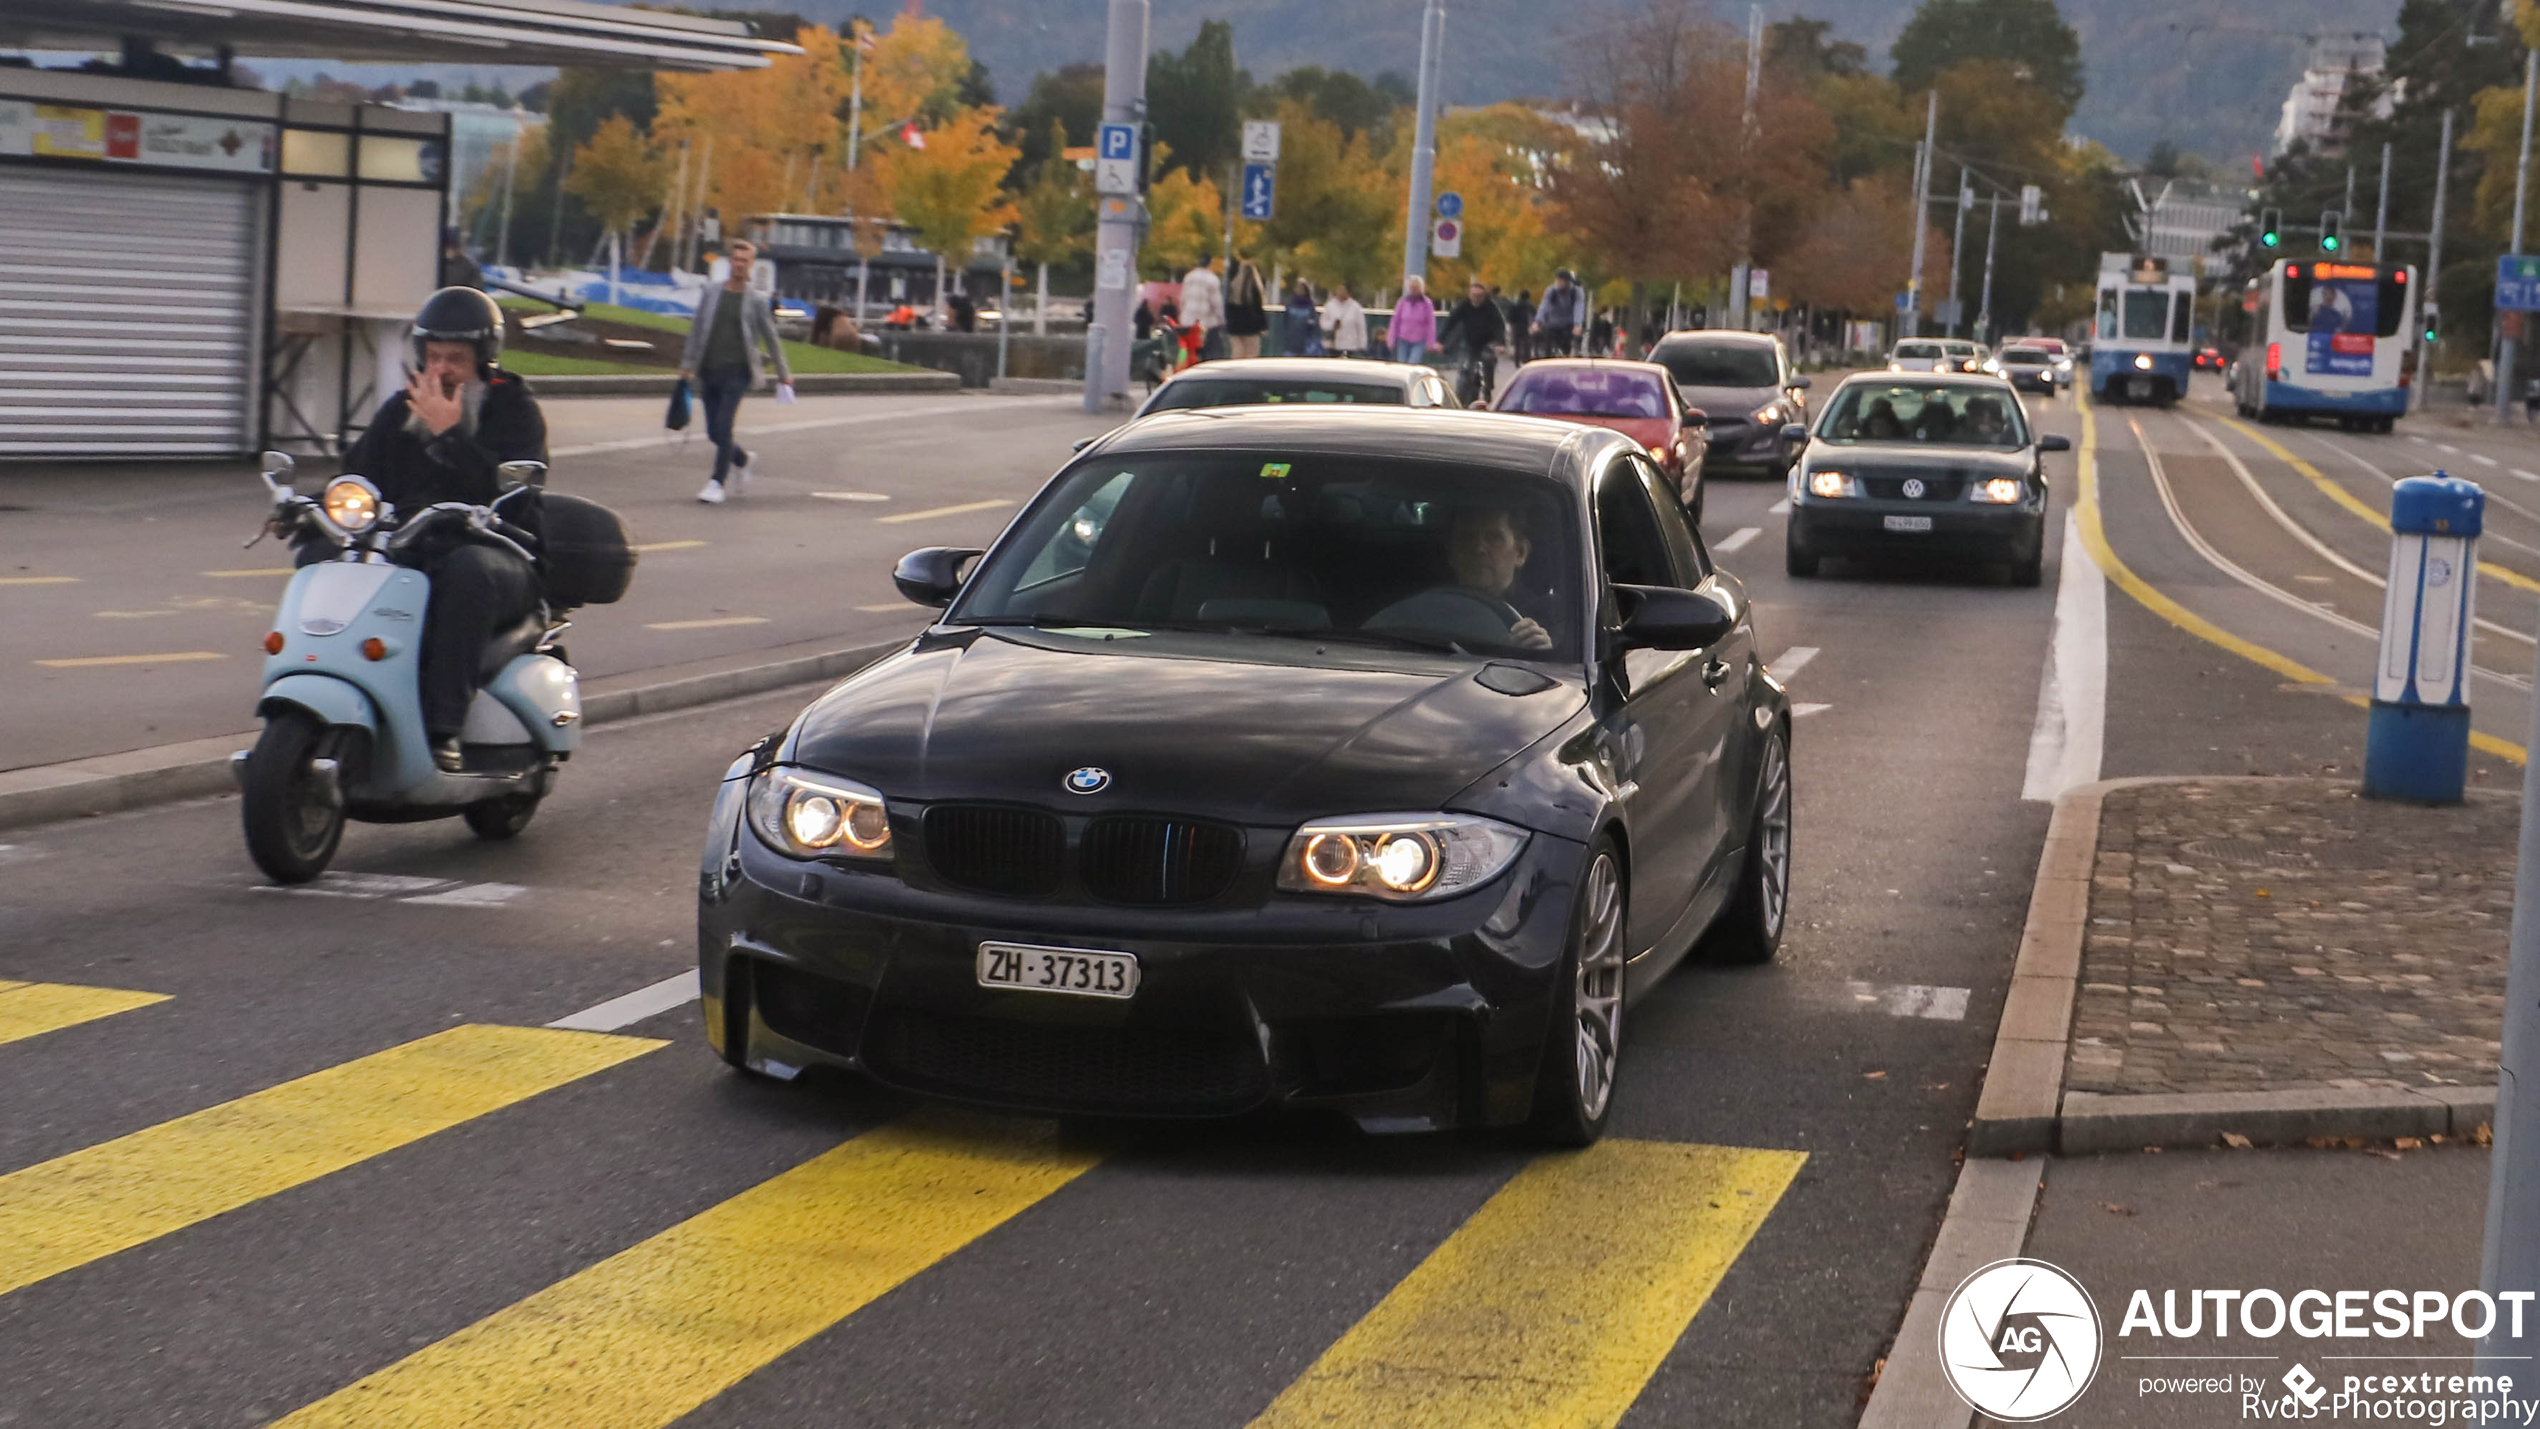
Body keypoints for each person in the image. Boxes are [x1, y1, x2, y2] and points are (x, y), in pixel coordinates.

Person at [333, 287, 545, 773]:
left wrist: (452, 435)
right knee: (321, 553)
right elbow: (356, 475)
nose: (442, 369)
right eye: (433, 357)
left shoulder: (513, 409)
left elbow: (515, 495)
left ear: (483, 359)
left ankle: (443, 727)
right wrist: (314, 505)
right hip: (411, 546)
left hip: (502, 554)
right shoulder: (402, 409)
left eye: (455, 358)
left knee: (467, 571)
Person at [677, 238, 793, 505]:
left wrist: (783, 373)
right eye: (736, 260)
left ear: (751, 264)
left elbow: (771, 337)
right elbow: (697, 330)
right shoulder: (712, 292)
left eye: (745, 261)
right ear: (730, 262)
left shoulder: (755, 300)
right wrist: (687, 365)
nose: (739, 265)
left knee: (724, 427)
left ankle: (716, 482)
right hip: (709, 370)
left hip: (737, 373)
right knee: (714, 434)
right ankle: (742, 459)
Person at [1443, 505, 1552, 651]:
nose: (1478, 549)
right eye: (1467, 538)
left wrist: (1541, 651)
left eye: (1494, 538)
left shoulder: (1548, 616)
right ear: (1452, 554)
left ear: (1520, 553)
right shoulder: (1428, 613)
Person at [1440, 279, 1508, 404]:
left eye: (1479, 296)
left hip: (1487, 341)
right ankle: (1461, 400)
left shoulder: (1491, 307)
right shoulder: (1464, 305)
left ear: (1484, 296)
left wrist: (1500, 343)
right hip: (1469, 342)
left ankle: (1488, 387)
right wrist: (1440, 341)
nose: (1475, 299)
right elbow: (1451, 322)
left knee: (1488, 360)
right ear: (1469, 295)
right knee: (1465, 370)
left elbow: (1499, 326)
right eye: (1473, 296)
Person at [1179, 252, 1224, 363]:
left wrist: (1181, 314)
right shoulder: (1212, 279)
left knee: (1186, 349)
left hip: (1187, 320)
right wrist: (1221, 319)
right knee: (1205, 351)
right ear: (1210, 263)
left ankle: (1183, 366)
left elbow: (1183, 298)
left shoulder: (1189, 277)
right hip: (1205, 322)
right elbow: (1216, 302)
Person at [1223, 252, 1268, 359]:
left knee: (1237, 351)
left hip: (1234, 325)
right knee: (1252, 352)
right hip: (1251, 325)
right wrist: (1263, 326)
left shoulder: (1231, 288)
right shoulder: (1254, 288)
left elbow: (1227, 307)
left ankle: (1235, 372)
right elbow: (1258, 308)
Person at [1532, 270, 1582, 358]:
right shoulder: (1551, 290)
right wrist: (1537, 322)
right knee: (1547, 345)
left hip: (1568, 324)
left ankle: (1566, 354)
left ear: (1567, 282)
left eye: (1560, 281)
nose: (1558, 283)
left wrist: (1577, 324)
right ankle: (1547, 359)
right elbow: (1544, 305)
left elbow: (1578, 307)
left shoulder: (1575, 292)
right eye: (1557, 280)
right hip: (1552, 323)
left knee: (1567, 346)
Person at [1391, 275, 1438, 366]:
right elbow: (1395, 321)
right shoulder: (1402, 302)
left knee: (1413, 364)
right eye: (1412, 287)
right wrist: (1391, 339)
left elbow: (1431, 323)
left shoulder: (1427, 303)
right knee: (1402, 364)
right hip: (1403, 339)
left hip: (1419, 340)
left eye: (1416, 287)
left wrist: (1430, 343)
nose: (1414, 289)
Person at [1323, 283, 1368, 358]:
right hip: (1334, 345)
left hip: (1351, 345)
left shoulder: (1355, 307)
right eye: (1339, 290)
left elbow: (1361, 327)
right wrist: (1332, 325)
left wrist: (1362, 345)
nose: (1340, 293)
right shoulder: (1330, 305)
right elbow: (1323, 323)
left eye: (1343, 290)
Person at [1282, 280, 1323, 357]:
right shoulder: (1290, 303)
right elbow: (1285, 322)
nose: (1299, 290)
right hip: (1291, 341)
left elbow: (1314, 324)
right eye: (1297, 288)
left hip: (1306, 343)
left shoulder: (1310, 305)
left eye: (1302, 289)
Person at [1509, 288, 1535, 363]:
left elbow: (1510, 317)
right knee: (1527, 344)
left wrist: (1512, 323)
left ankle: (1517, 361)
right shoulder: (1530, 306)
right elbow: (1534, 315)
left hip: (1516, 326)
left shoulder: (1514, 305)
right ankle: (1526, 360)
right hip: (1526, 326)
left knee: (1517, 345)